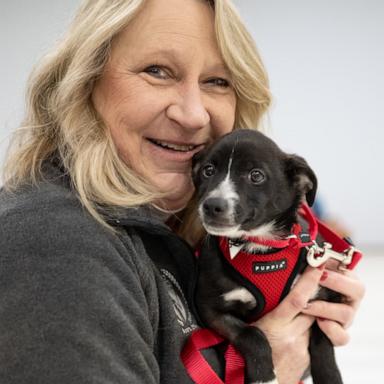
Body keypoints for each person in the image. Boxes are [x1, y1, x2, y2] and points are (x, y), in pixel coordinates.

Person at [0, 0, 365, 383]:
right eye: (156, 71)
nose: (192, 115)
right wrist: (259, 369)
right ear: (83, 82)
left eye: (217, 82)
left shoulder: (170, 228)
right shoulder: (56, 247)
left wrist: (291, 327)